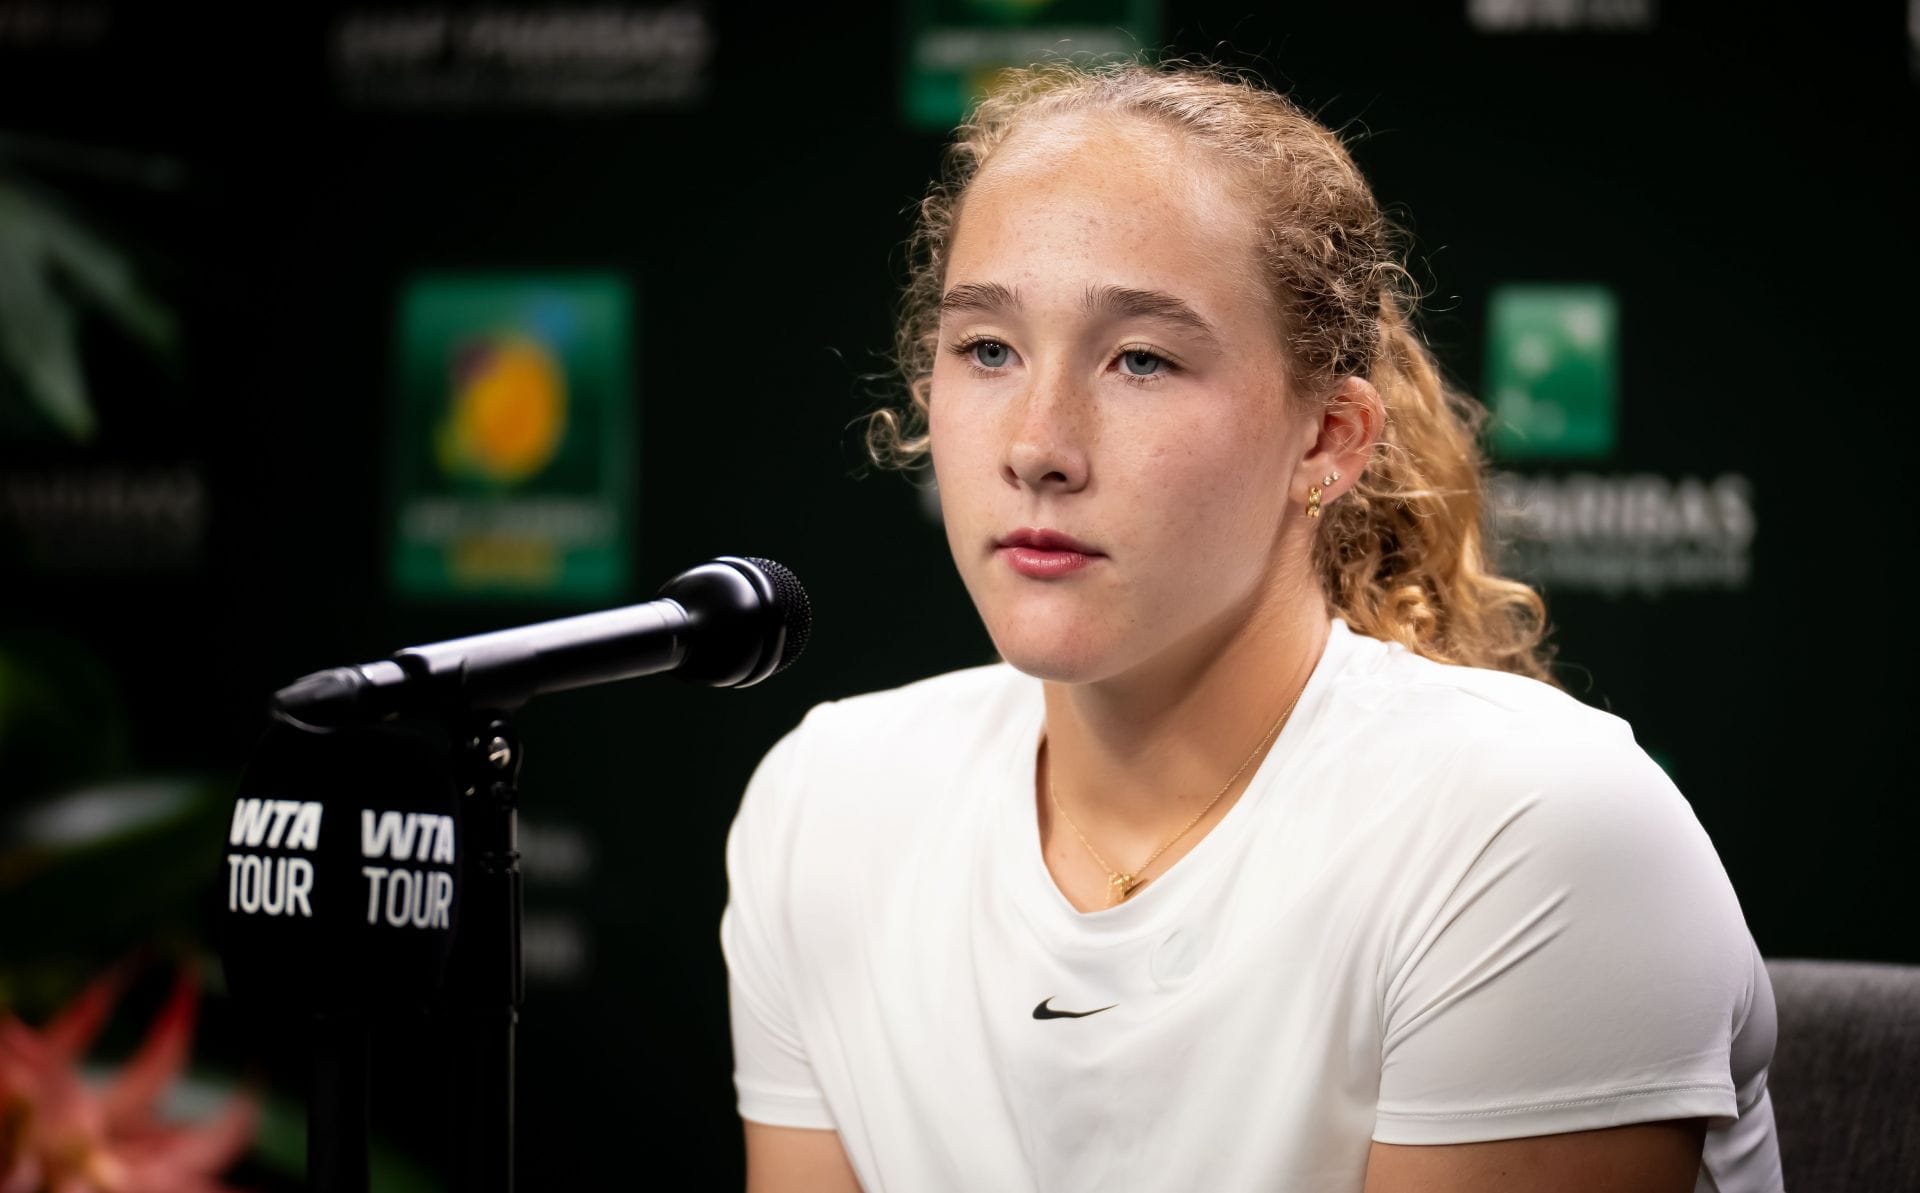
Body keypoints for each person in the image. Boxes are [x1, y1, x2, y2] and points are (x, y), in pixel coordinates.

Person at [720, 60, 1781, 1193]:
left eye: (1142, 358)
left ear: (1328, 437)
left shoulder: (1533, 830)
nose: (1036, 444)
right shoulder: (823, 803)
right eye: (988, 348)